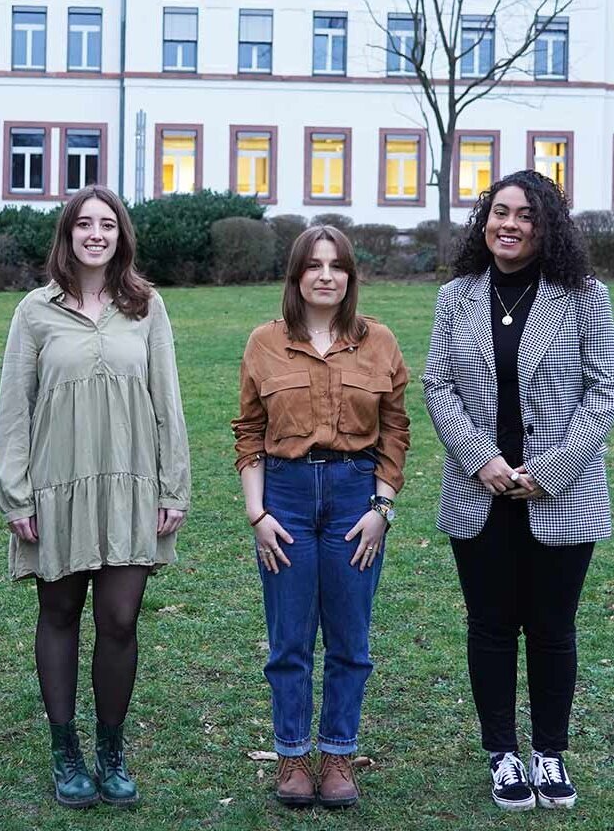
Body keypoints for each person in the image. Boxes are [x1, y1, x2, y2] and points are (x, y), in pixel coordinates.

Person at [422, 169, 614, 813]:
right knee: (490, 624)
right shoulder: (457, 296)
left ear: (547, 227)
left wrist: (550, 471)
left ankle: (550, 754)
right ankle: (504, 753)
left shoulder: (585, 296)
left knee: (553, 627)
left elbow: (604, 391)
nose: (508, 224)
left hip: (561, 494)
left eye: (525, 215)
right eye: (499, 211)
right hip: (478, 491)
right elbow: (437, 387)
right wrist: (483, 460)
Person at [0, 185, 191, 809]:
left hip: (133, 482)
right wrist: (16, 496)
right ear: (68, 236)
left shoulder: (146, 306)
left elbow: (168, 399)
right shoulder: (35, 310)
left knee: (121, 619)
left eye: (108, 224)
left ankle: (111, 748)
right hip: (57, 485)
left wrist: (173, 484)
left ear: (121, 235)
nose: (96, 234)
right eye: (85, 225)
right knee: (58, 614)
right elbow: (13, 410)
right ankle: (64, 750)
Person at [232, 226, 411, 809]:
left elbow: (396, 431)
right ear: (297, 276)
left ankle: (337, 753)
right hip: (282, 497)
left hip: (354, 496)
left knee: (350, 639)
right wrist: (257, 513)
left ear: (351, 277)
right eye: (314, 265)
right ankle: (291, 757)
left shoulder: (378, 342)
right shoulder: (264, 342)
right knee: (288, 640)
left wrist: (382, 507)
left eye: (337, 266)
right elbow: (249, 433)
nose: (326, 275)